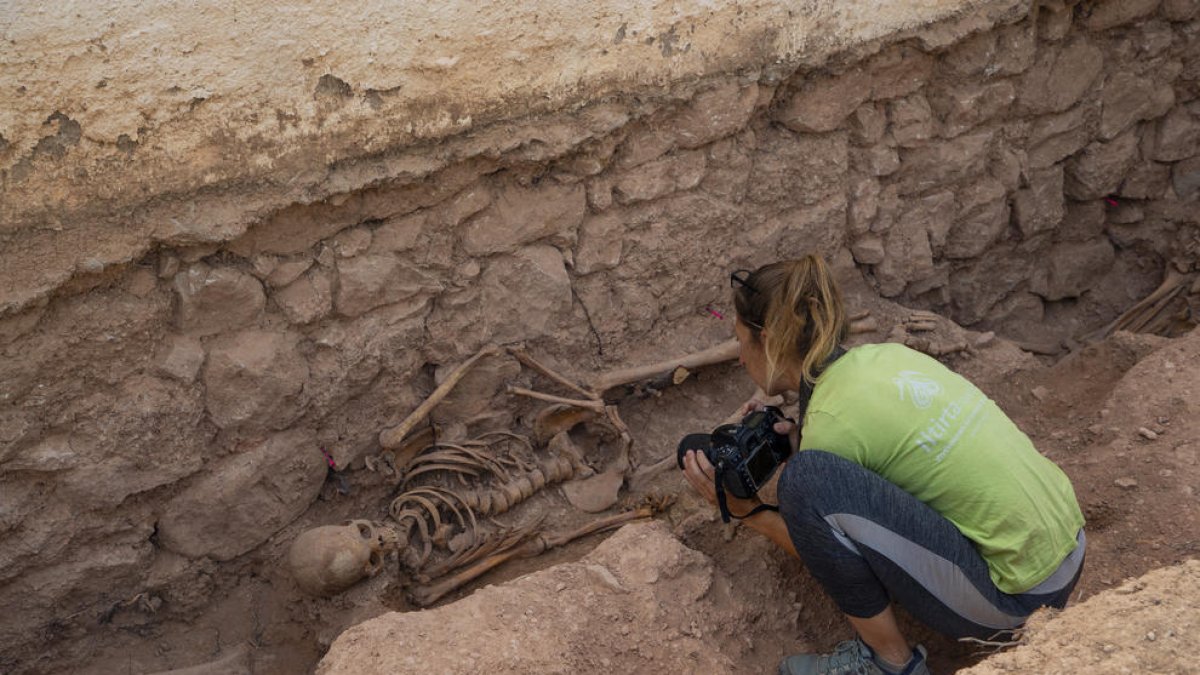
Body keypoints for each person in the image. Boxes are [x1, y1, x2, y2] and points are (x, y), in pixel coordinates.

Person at [680, 256, 1085, 675]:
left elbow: (821, 548)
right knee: (819, 476)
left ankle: (888, 662)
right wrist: (807, 437)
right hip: (1070, 546)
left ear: (767, 340)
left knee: (803, 482)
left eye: (740, 341)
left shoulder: (832, 425)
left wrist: (750, 512)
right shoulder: (885, 357)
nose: (741, 359)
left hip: (1017, 601)